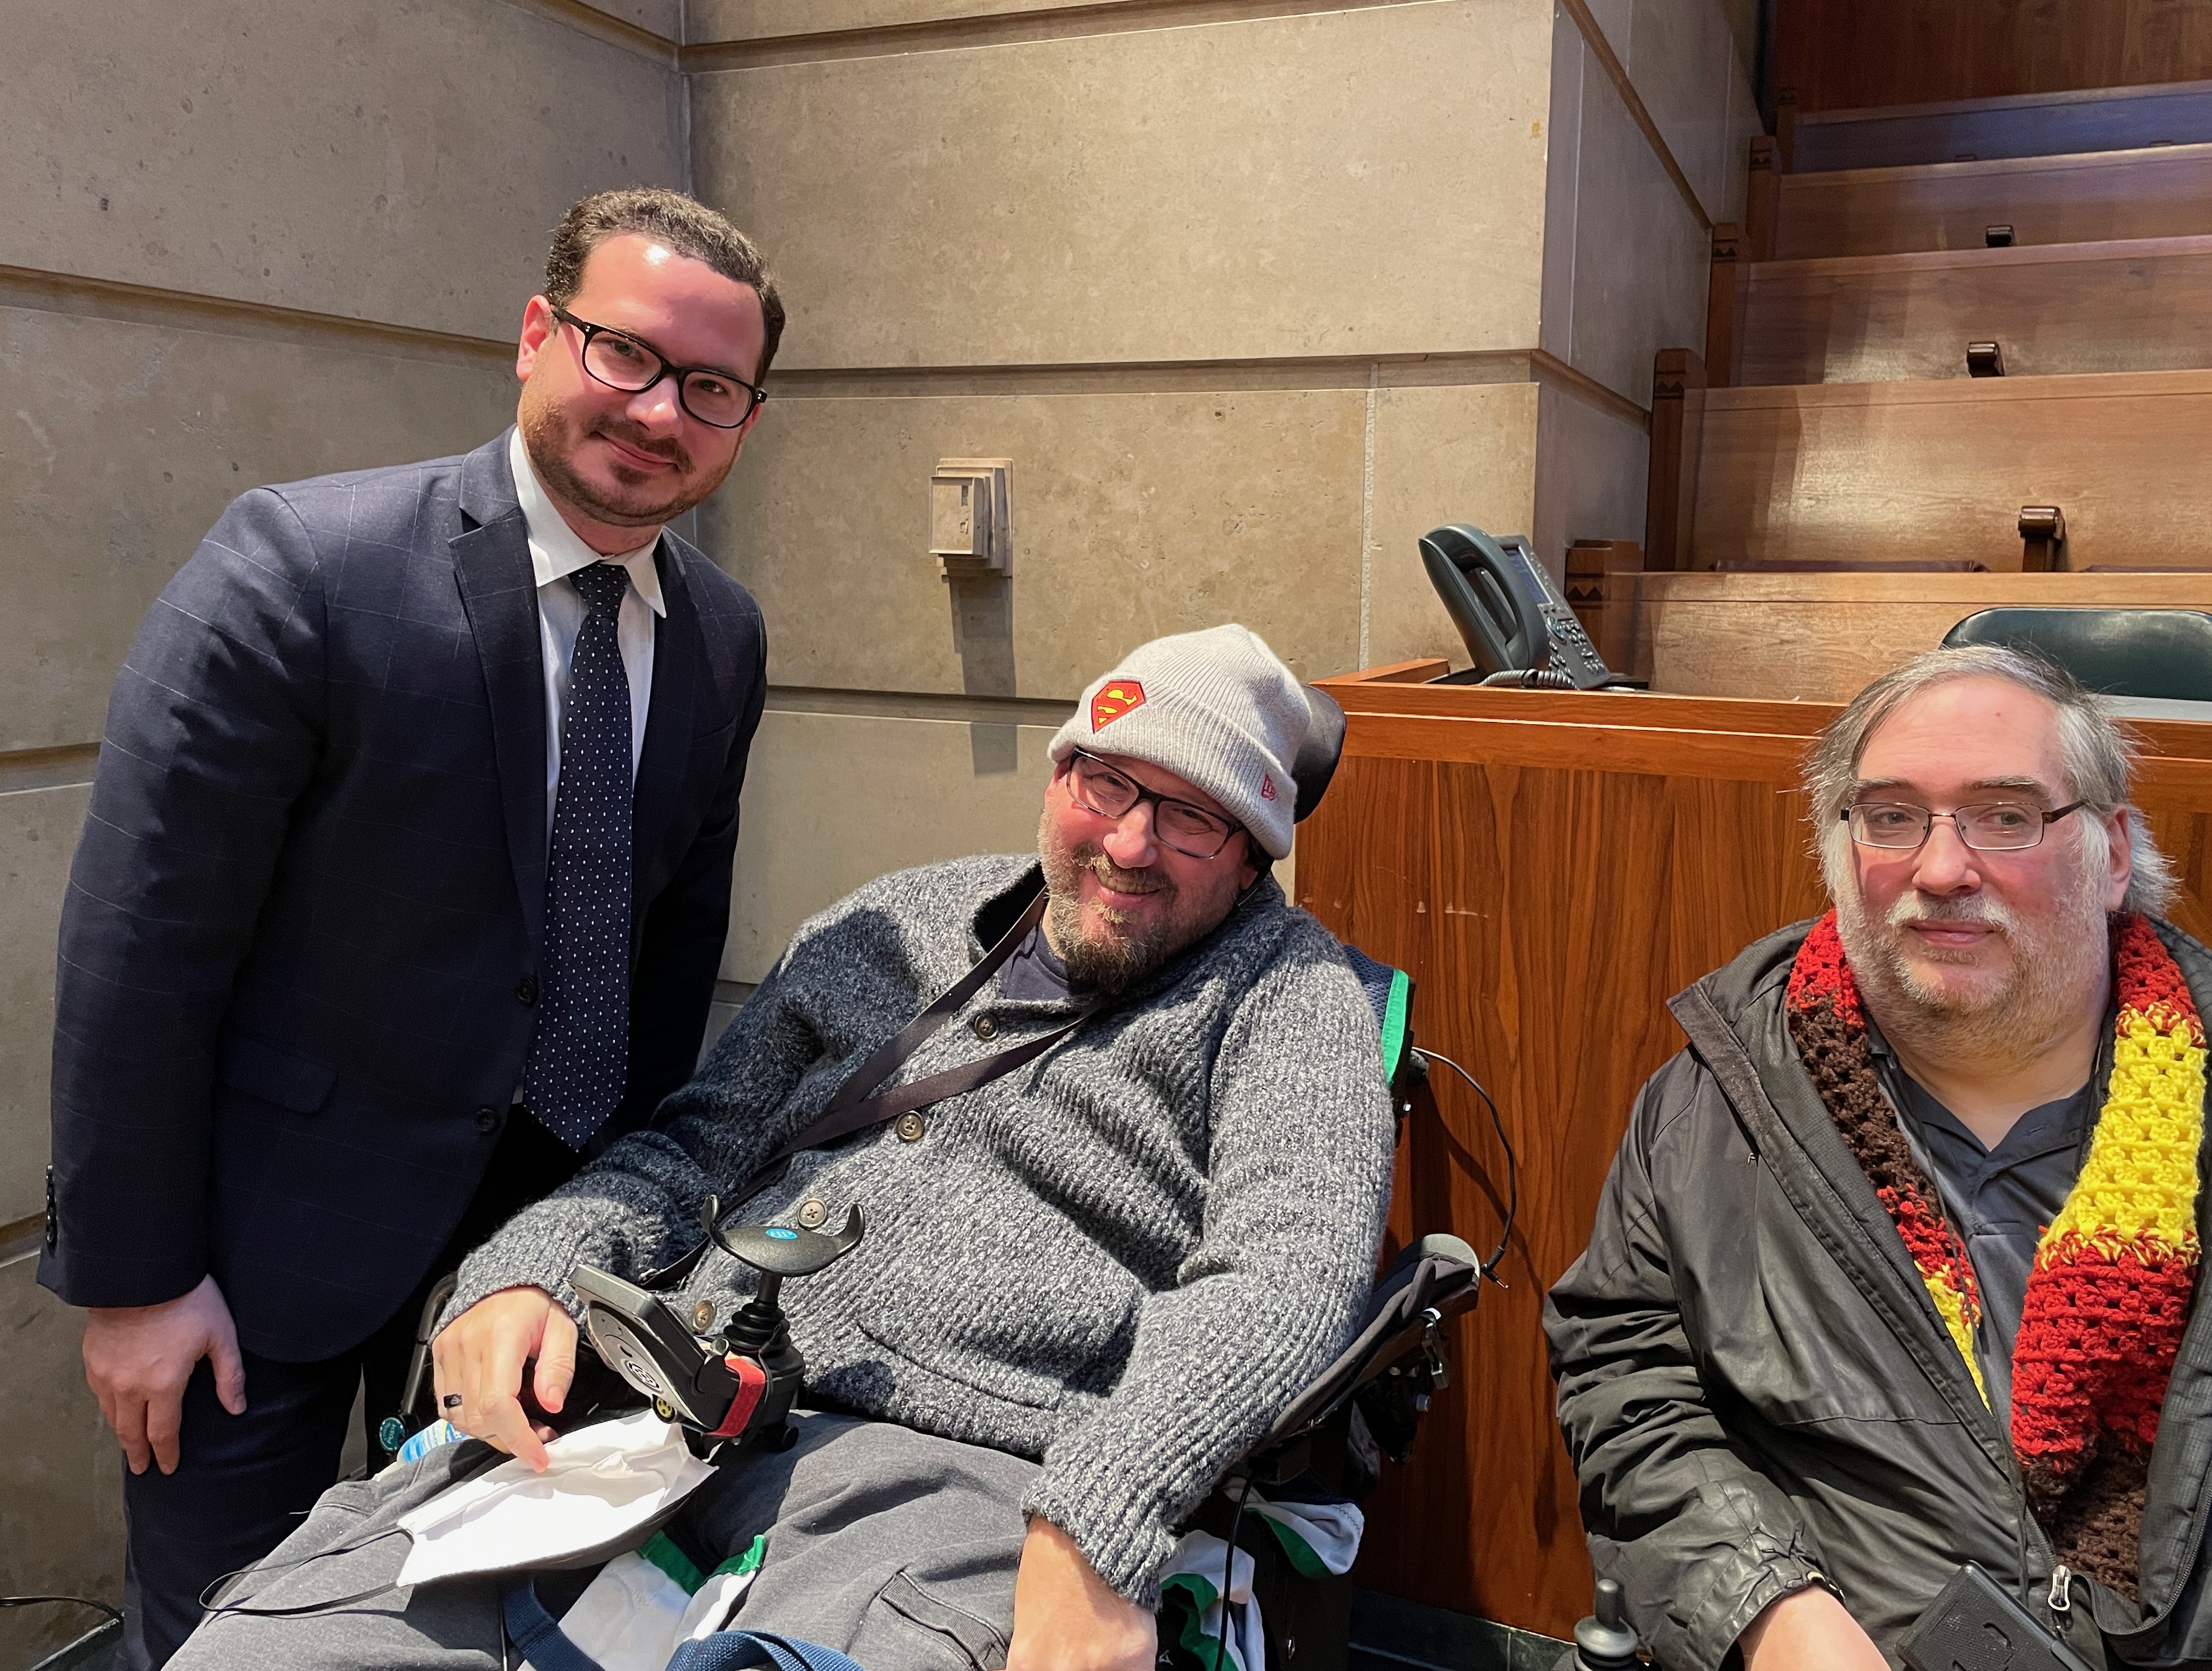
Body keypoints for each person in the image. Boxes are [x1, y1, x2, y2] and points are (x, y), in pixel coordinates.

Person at [168, 624, 1397, 1671]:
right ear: (1060, 773)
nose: (1126, 843)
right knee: (275, 1638)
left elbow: (1284, 1280)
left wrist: (1098, 1521)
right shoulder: (893, 924)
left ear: (1251, 860)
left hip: (951, 1478)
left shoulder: (1292, 1002)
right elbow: (695, 1144)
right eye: (1106, 785)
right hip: (651, 1406)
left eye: (1190, 818)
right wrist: (531, 1266)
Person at [40, 187, 781, 1670]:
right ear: (535, 334)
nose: (658, 413)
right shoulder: (303, 569)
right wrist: (134, 1281)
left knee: (479, 1628)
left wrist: (625, 1245)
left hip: (539, 1257)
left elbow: (670, 954)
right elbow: (143, 943)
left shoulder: (724, 634)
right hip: (256, 1263)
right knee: (229, 1640)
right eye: (625, 355)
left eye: (711, 387)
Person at [1545, 644, 2212, 1671]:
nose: (1941, 869)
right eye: (1892, 816)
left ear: (2112, 852)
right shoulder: (1713, 1105)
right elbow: (1628, 1377)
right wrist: (1767, 1609)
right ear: (1842, 849)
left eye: (2006, 815)